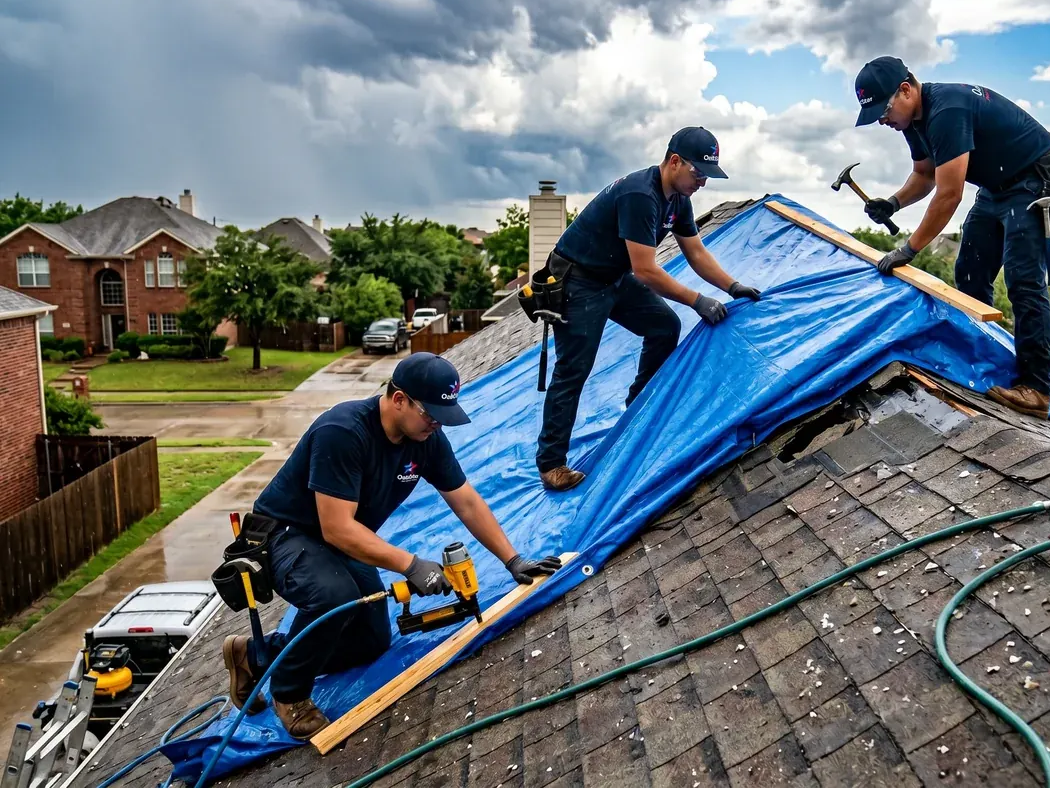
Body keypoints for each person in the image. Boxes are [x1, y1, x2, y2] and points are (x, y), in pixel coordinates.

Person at [221, 352, 562, 740]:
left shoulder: (425, 439)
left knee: (371, 641)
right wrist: (411, 565)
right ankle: (289, 692)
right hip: (286, 535)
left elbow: (466, 500)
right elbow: (336, 529)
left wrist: (513, 559)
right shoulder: (343, 431)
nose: (436, 424)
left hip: (341, 538)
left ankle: (255, 655)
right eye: (430, 414)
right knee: (335, 596)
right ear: (399, 399)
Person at [534, 126, 763, 491]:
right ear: (675, 162)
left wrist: (732, 286)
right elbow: (646, 271)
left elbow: (696, 252)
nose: (702, 182)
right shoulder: (640, 195)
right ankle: (551, 463)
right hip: (578, 281)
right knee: (574, 368)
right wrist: (697, 300)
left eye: (707, 176)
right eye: (698, 173)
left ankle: (639, 406)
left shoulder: (679, 200)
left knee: (664, 326)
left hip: (613, 276)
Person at [852, 55, 1050, 419]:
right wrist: (893, 203)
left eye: (883, 110)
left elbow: (949, 194)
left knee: (1023, 280)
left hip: (1032, 181)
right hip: (996, 187)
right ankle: (980, 353)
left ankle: (1036, 388)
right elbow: (924, 174)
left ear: (905, 90)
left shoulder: (947, 110)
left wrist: (909, 248)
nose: (882, 120)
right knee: (969, 270)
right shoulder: (912, 121)